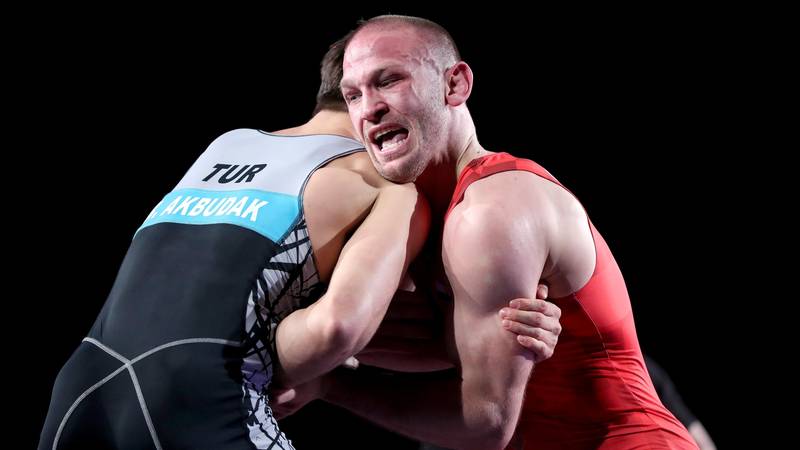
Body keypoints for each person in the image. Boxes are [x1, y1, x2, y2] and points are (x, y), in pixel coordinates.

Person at [38, 35, 560, 450]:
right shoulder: (386, 186)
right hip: (201, 392)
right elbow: (337, 329)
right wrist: (265, 365)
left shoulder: (227, 144)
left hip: (79, 388)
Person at [273, 15, 698, 450]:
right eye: (353, 95)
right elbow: (435, 347)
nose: (369, 108)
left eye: (389, 81)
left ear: (454, 85)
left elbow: (486, 422)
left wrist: (331, 385)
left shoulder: (491, 209)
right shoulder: (413, 215)